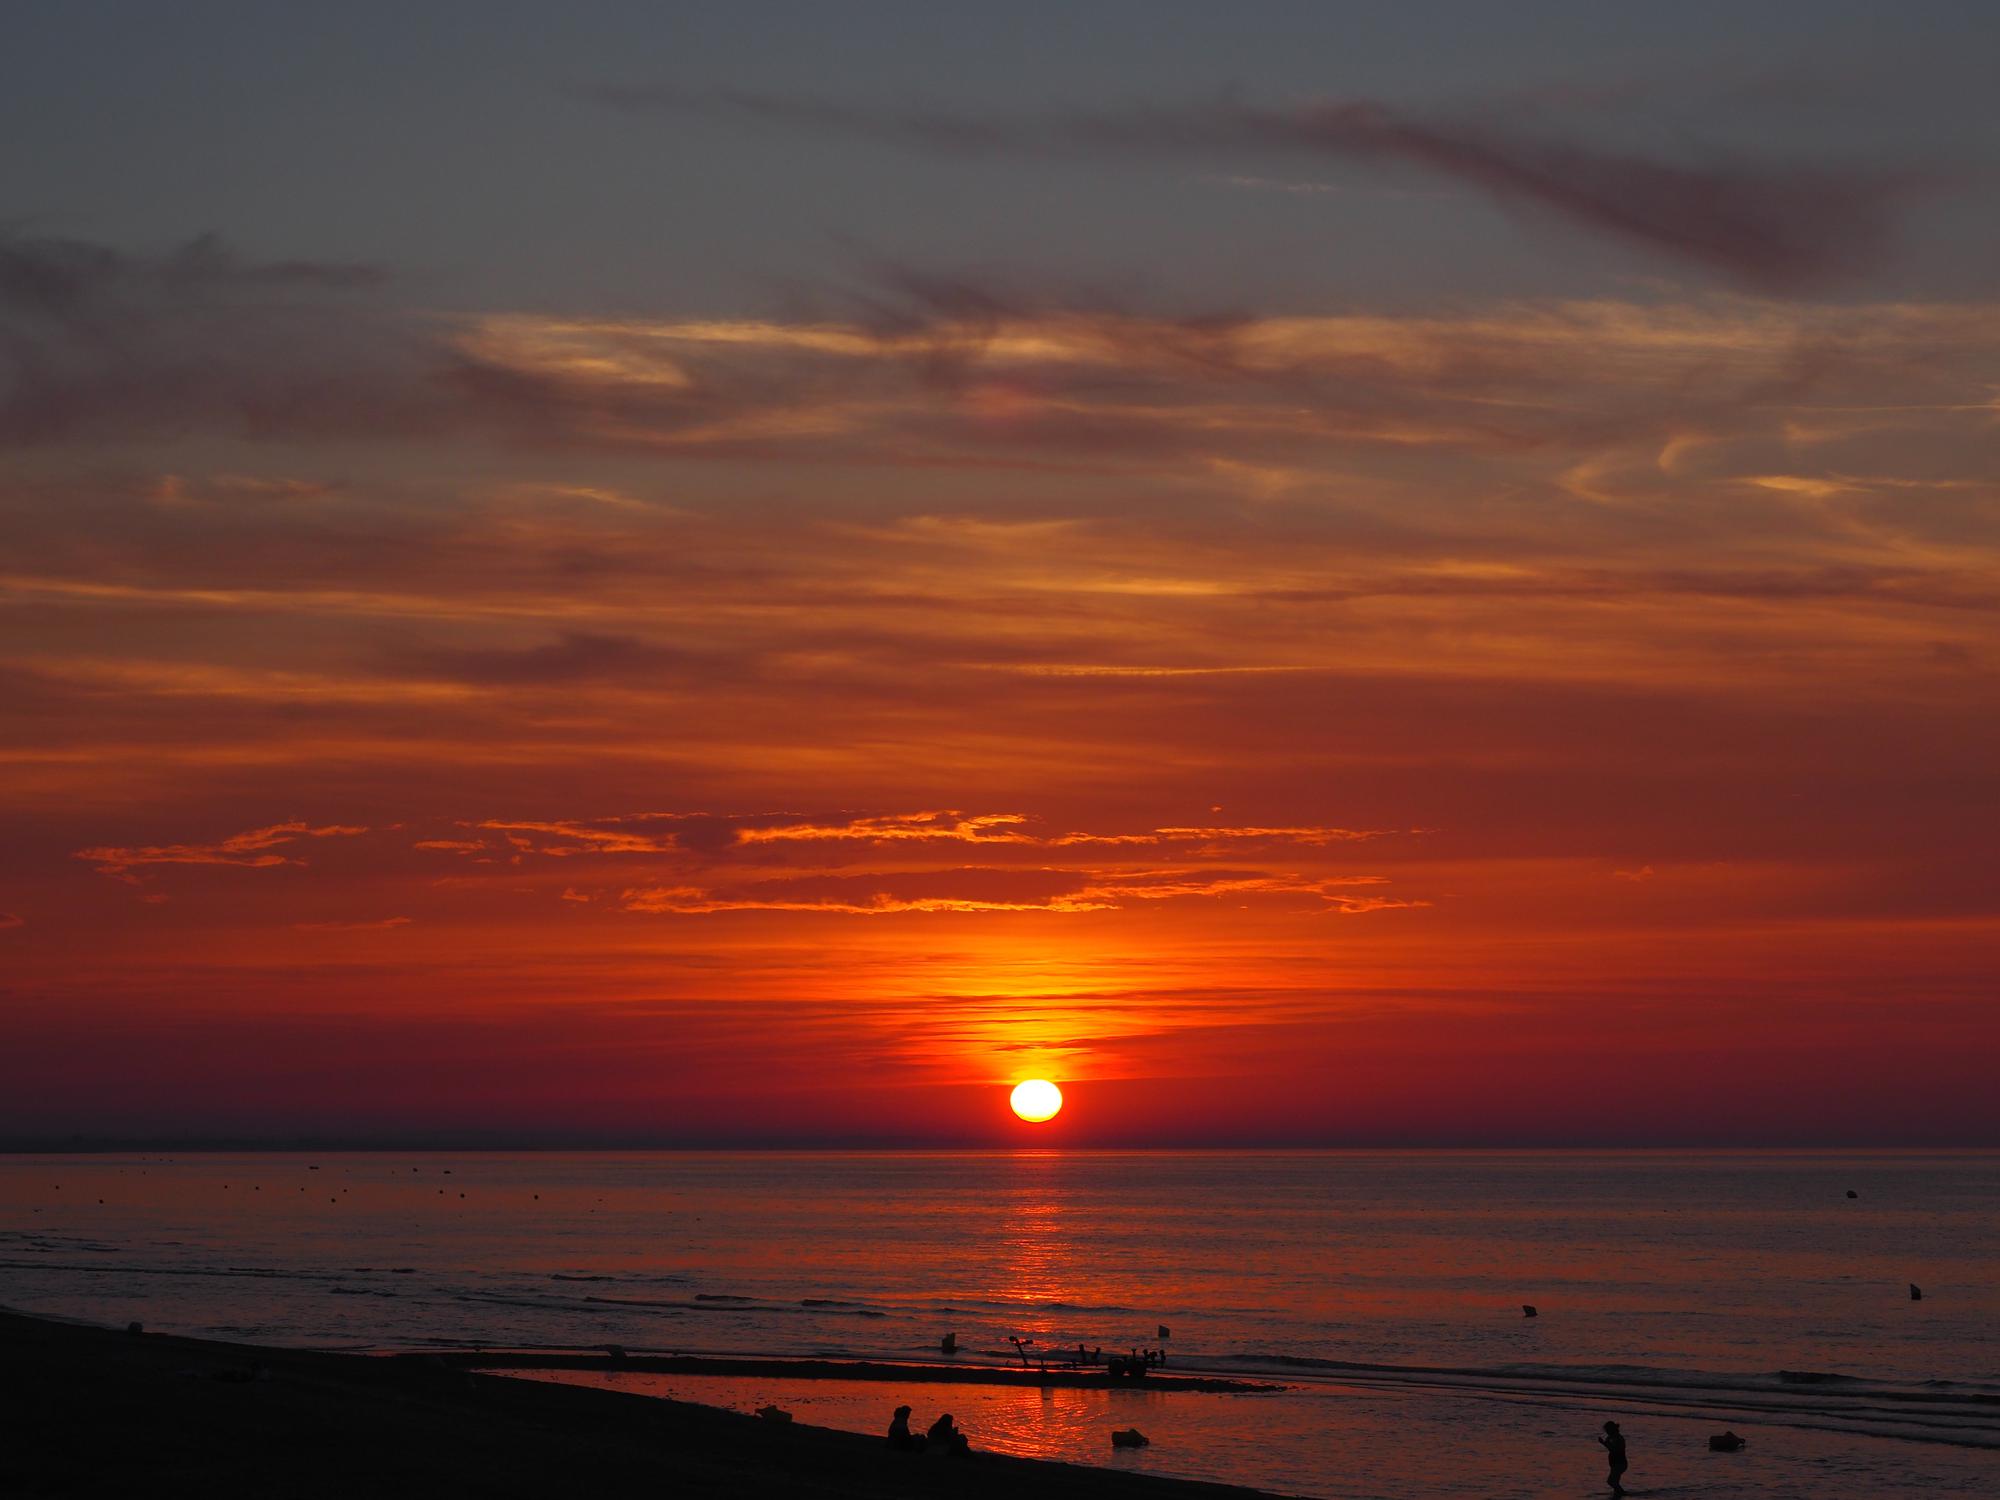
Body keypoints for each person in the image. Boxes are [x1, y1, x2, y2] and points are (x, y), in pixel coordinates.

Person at [1597, 1420, 1628, 1495]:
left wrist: (1603, 1443)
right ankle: (1618, 1494)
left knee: (1611, 1481)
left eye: (1607, 1430)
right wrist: (1605, 1443)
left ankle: (1623, 1493)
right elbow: (1611, 1448)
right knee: (1615, 1482)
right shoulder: (1611, 1437)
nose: (1607, 1432)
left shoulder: (1618, 1438)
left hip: (1620, 1463)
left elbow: (1614, 1450)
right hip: (1615, 1463)